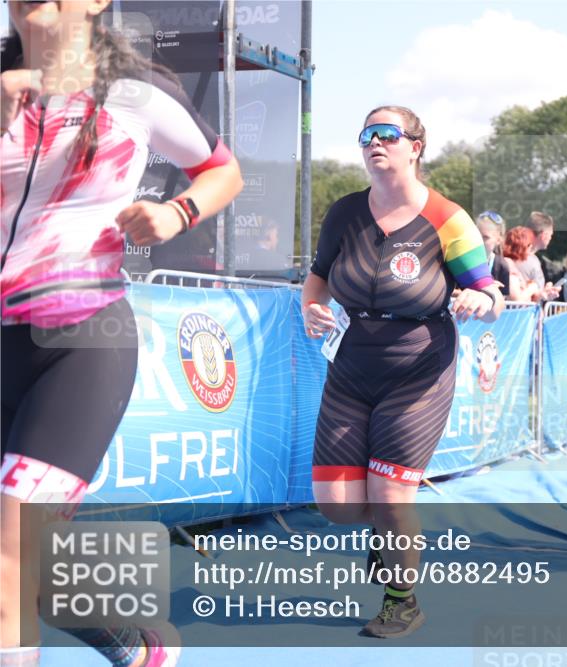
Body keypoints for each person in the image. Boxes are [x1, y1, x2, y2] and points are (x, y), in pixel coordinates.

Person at [1, 2, 243, 666]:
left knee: (9, 553)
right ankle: (132, 644)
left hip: (80, 342)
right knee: (29, 567)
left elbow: (224, 170)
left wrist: (177, 212)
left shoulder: (134, 91)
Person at [301, 105, 504, 639]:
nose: (375, 142)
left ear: (416, 146)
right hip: (350, 369)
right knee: (339, 507)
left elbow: (490, 291)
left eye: (388, 134)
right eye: (367, 134)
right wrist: (311, 310)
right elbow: (317, 278)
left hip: (419, 372)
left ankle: (401, 598)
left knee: (392, 496)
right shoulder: (344, 212)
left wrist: (480, 304)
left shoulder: (448, 218)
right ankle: (389, 537)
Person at [520, 211, 561, 297]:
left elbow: (533, 294)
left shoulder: (533, 259)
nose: (550, 238)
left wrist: (546, 292)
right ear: (544, 235)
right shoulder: (521, 258)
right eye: (550, 235)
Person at [500, 226, 542, 302]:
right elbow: (516, 299)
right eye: (529, 245)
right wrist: (531, 288)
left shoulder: (509, 264)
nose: (531, 247)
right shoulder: (507, 265)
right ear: (522, 245)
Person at [475, 211, 512, 298]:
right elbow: (451, 292)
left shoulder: (501, 266)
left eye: (485, 237)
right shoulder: (463, 260)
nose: (479, 240)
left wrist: (494, 292)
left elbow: (504, 301)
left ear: (498, 240)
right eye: (477, 234)